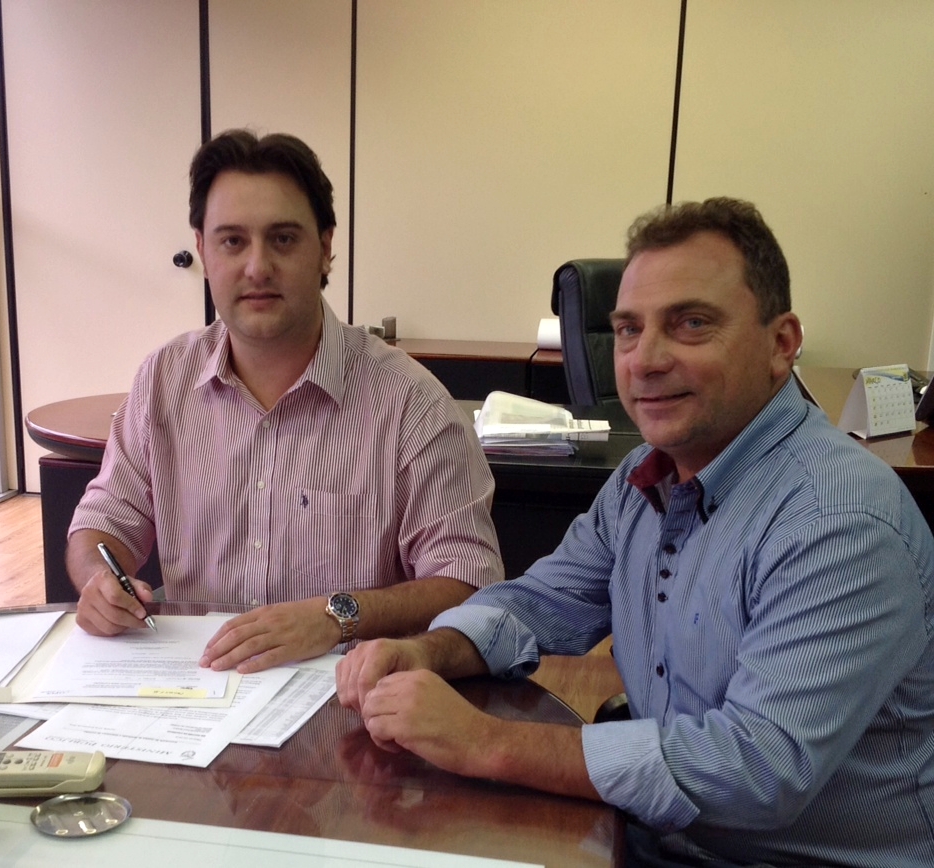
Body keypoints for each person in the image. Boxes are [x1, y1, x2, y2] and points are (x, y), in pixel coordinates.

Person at [336, 197, 934, 867]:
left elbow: (756, 770)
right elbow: (544, 601)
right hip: (654, 839)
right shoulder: (644, 478)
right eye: (627, 329)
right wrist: (429, 651)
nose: (644, 360)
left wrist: (484, 742)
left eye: (691, 324)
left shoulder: (838, 520)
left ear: (781, 343)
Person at [66, 129, 502, 675]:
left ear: (325, 248)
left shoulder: (411, 404)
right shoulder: (163, 381)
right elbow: (102, 523)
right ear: (203, 251)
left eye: (283, 239)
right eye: (232, 241)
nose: (257, 267)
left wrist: (335, 617)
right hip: (196, 689)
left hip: (348, 694)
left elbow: (468, 583)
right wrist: (99, 580)